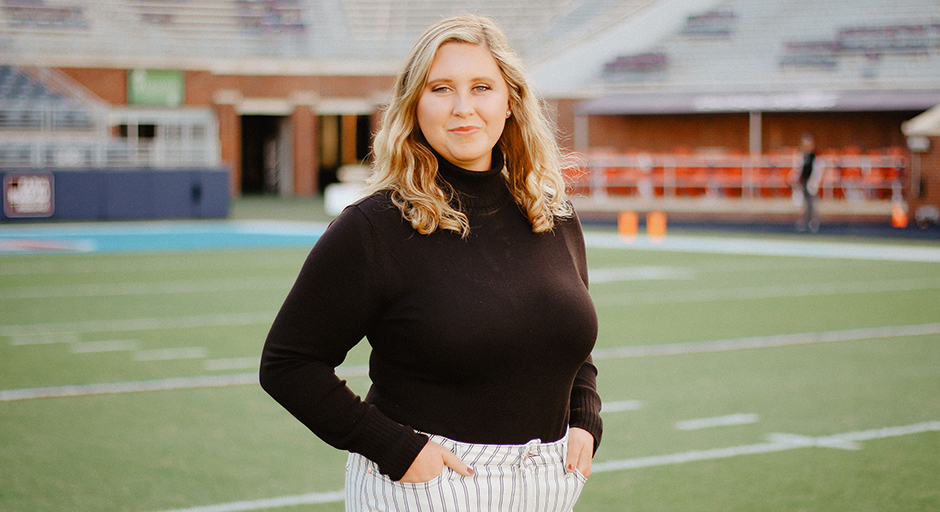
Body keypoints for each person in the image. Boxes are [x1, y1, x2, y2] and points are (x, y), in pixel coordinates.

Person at [259, 14, 602, 512]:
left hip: (550, 485)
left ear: (511, 101)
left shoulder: (551, 213)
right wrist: (396, 450)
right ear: (415, 104)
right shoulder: (375, 225)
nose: (464, 108)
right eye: (441, 88)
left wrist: (585, 418)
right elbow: (288, 364)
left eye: (481, 87)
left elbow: (571, 344)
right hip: (428, 486)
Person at [796, 133, 821, 232]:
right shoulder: (802, 155)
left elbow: (818, 170)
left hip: (811, 182)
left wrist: (814, 181)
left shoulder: (815, 156)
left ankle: (813, 222)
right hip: (804, 181)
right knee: (803, 203)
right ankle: (803, 221)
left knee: (812, 203)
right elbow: (798, 169)